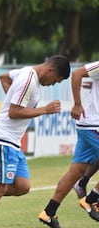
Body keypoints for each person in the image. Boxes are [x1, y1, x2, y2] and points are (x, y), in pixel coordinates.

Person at [0, 55, 71, 228]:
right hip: (2, 139)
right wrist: (44, 110)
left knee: (22, 186)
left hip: (12, 142)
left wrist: (14, 98)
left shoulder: (25, 71)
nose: (52, 84)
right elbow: (13, 112)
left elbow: (4, 77)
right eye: (55, 81)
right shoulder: (29, 80)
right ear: (50, 70)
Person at [38, 61, 99, 228]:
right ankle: (92, 199)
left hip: (89, 126)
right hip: (93, 124)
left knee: (76, 172)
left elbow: (88, 82)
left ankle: (48, 212)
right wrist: (77, 103)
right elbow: (78, 73)